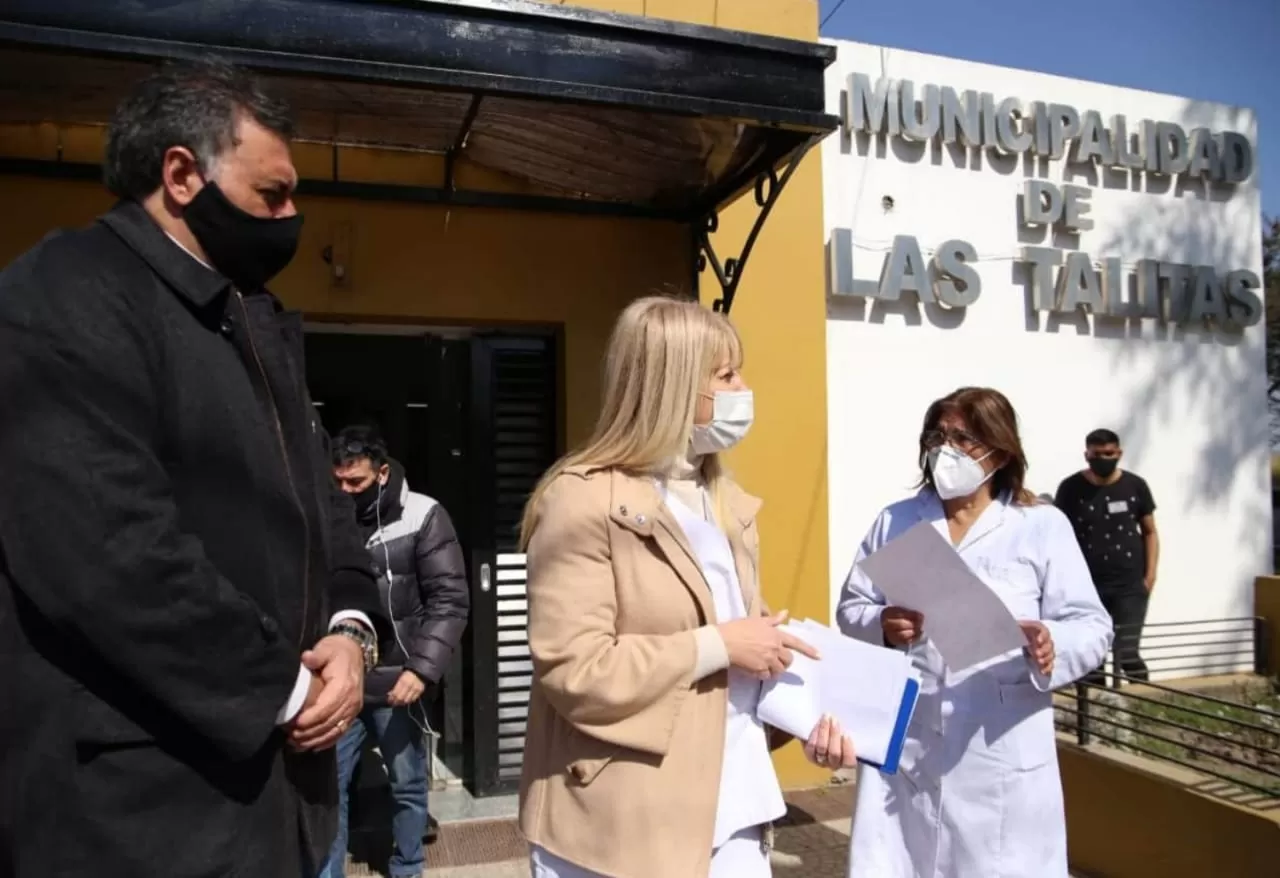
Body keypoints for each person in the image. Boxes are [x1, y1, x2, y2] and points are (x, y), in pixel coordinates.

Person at [0, 60, 387, 878]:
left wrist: (350, 636)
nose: (291, 218)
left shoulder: (250, 321)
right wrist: (287, 687)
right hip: (144, 823)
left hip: (285, 815)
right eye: (272, 195)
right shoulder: (66, 292)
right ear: (182, 175)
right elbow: (104, 551)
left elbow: (326, 514)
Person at [516, 295, 852, 878]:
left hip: (737, 811)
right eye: (725, 375)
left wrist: (803, 717)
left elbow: (738, 664)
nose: (743, 387)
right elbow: (575, 669)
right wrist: (720, 644)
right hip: (624, 826)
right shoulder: (581, 500)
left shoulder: (721, 501)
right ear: (671, 385)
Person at [833, 386, 1112, 878]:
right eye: (938, 435)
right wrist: (881, 624)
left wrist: (1051, 645)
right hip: (911, 743)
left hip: (999, 749)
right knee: (902, 861)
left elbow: (1092, 627)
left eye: (963, 437)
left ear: (999, 451)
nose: (946, 448)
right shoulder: (896, 521)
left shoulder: (1040, 525)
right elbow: (852, 606)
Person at [320, 426, 469, 878]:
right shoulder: (326, 517)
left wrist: (421, 671)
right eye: (338, 482)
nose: (345, 493)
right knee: (329, 790)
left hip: (398, 682)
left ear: (382, 474)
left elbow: (450, 599)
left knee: (407, 785)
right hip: (339, 683)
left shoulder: (423, 515)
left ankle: (407, 868)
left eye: (357, 483)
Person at [1054, 428, 1159, 686]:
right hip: (1087, 587)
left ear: (1119, 453)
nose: (1103, 458)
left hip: (1130, 586)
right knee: (1092, 656)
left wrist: (1150, 576)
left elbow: (1150, 532)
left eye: (1109, 453)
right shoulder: (1071, 488)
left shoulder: (1136, 486)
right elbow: (1057, 536)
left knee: (1128, 651)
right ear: (1086, 454)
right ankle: (1098, 716)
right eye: (1096, 454)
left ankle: (1142, 706)